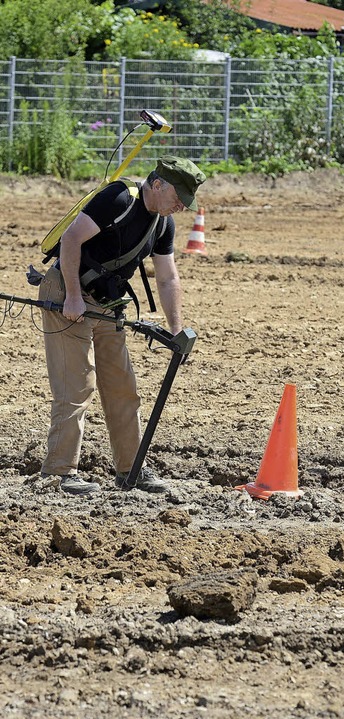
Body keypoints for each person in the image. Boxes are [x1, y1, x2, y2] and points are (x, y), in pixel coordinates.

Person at [38, 156, 206, 496]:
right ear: (158, 184)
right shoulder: (119, 199)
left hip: (107, 301)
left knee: (122, 387)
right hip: (67, 290)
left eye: (185, 203)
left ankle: (132, 468)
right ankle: (58, 473)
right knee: (76, 385)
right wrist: (72, 297)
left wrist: (176, 330)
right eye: (178, 198)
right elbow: (71, 240)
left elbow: (168, 277)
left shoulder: (162, 224)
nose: (181, 207)